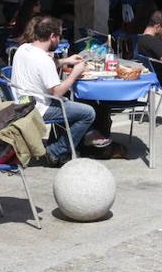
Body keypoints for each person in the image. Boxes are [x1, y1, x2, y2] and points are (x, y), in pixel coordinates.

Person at [10, 16, 97, 166]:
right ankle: (56, 151)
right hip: (38, 108)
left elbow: (39, 67)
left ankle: (56, 148)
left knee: (67, 104)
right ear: (52, 36)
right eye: (59, 37)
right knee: (88, 113)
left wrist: (65, 61)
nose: (59, 40)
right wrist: (75, 74)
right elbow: (57, 92)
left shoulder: (23, 49)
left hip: (22, 102)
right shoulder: (44, 60)